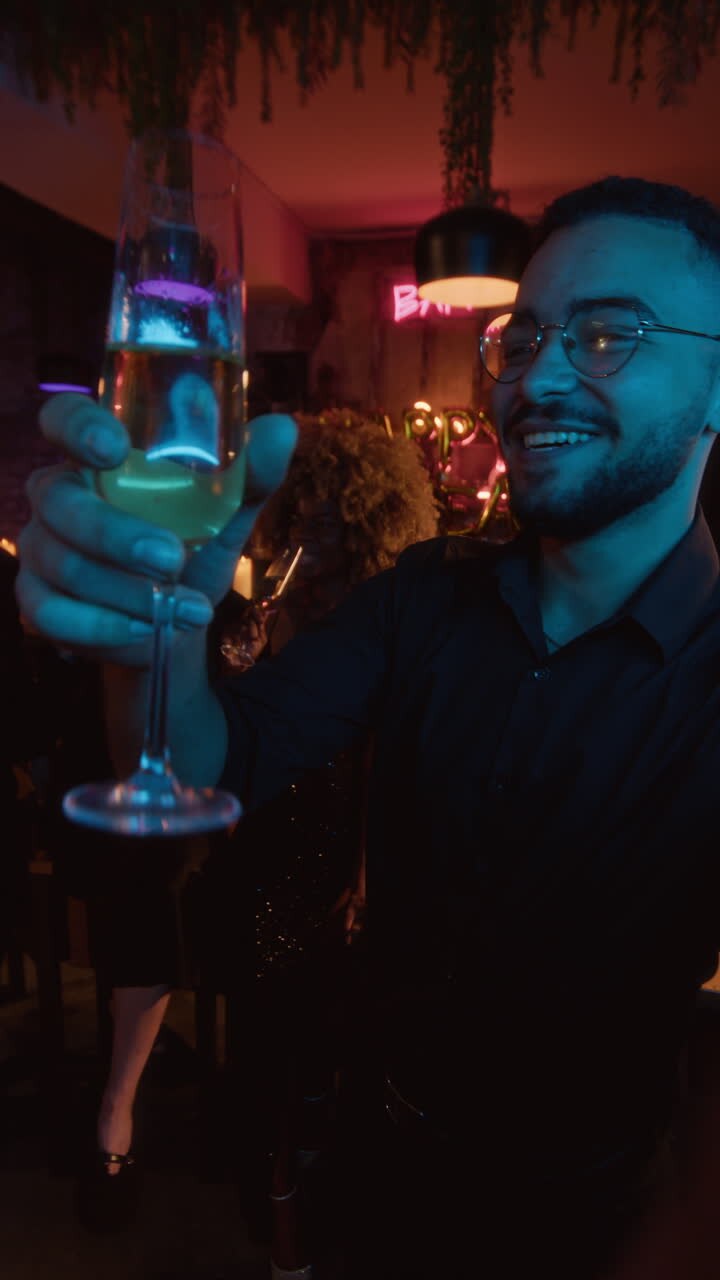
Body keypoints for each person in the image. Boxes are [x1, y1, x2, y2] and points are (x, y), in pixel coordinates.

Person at [16, 173, 720, 1278]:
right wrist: (153, 633)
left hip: (599, 1224)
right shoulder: (425, 594)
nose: (536, 376)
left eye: (606, 335)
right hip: (373, 1182)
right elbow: (213, 756)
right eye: (523, 335)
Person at [67, 412, 438, 1229]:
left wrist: (367, 876)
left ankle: (292, 1178)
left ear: (366, 521)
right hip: (254, 826)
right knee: (229, 967)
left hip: (326, 833)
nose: (309, 533)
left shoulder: (375, 624)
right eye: (300, 513)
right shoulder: (271, 605)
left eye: (328, 519)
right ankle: (248, 1159)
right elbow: (217, 735)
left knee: (302, 1011)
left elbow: (379, 762)